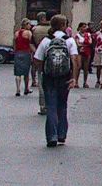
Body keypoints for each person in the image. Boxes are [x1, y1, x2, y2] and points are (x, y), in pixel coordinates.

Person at [32, 14, 79, 148]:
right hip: (65, 77)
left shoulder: (46, 41)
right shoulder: (69, 41)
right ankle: (61, 134)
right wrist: (74, 78)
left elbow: (37, 59)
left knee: (51, 106)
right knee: (62, 105)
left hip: (49, 78)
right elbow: (75, 60)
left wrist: (43, 70)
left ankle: (51, 136)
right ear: (63, 26)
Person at [30, 12, 52, 114]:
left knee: (42, 83)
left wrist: (37, 53)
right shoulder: (54, 30)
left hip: (41, 59)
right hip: (54, 59)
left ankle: (43, 106)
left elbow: (31, 44)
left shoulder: (35, 29)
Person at [13, 19, 34, 96]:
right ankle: (26, 89)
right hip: (26, 53)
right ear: (26, 25)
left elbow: (15, 44)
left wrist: (15, 51)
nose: (30, 26)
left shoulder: (16, 33)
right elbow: (31, 43)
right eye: (29, 24)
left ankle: (18, 89)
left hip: (18, 53)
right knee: (26, 72)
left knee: (17, 73)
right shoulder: (28, 33)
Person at [75, 22, 94, 88]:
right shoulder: (77, 35)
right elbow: (77, 44)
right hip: (80, 52)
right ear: (80, 27)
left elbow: (90, 42)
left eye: (85, 27)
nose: (85, 28)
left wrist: (83, 44)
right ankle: (76, 82)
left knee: (86, 67)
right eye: (83, 27)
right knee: (79, 66)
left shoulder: (88, 34)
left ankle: (85, 82)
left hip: (87, 51)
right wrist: (85, 44)